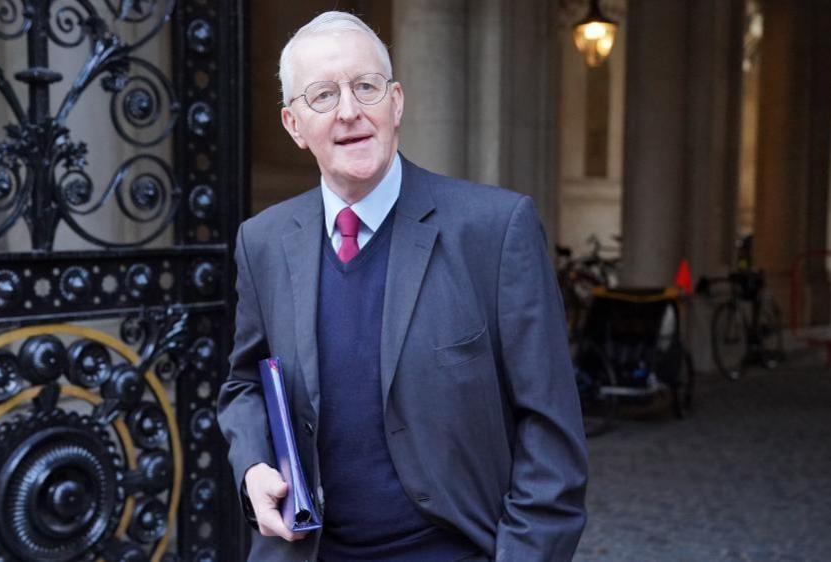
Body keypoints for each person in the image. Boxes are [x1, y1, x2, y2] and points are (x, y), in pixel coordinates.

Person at [217, 11, 587, 562]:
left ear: (396, 102)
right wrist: (252, 467)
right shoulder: (263, 241)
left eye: (365, 87)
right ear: (294, 125)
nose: (349, 112)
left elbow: (551, 430)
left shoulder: (495, 229)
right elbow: (246, 383)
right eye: (322, 95)